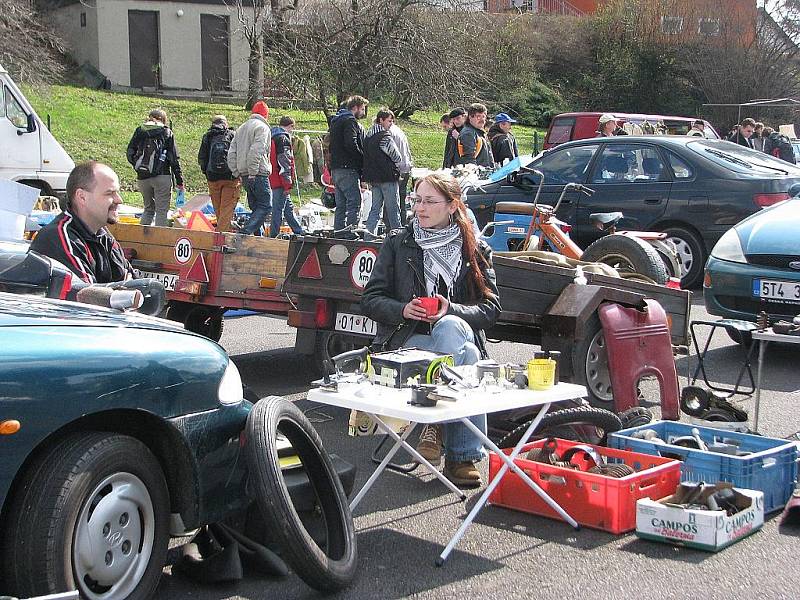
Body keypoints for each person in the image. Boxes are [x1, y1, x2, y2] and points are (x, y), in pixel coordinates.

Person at [361, 172, 501, 487]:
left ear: (453, 206)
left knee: (450, 327)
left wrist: (450, 308)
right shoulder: (398, 242)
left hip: (453, 333)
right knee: (466, 358)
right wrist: (402, 309)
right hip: (409, 340)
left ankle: (434, 425)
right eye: (417, 200)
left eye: (430, 202)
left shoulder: (474, 248)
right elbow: (370, 299)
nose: (420, 209)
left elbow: (491, 309)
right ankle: (461, 457)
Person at [31, 161, 134, 284]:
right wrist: (125, 291)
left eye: (117, 192)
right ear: (82, 197)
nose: (119, 200)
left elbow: (133, 280)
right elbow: (88, 295)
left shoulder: (103, 235)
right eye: (109, 193)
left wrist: (127, 289)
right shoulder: (59, 237)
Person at [126, 109, 184, 227]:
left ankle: (141, 240)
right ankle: (159, 242)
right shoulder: (166, 132)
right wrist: (179, 180)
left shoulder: (140, 130)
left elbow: (130, 151)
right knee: (161, 212)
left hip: (142, 177)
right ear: (163, 120)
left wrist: (137, 165)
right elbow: (174, 158)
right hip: (162, 176)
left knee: (148, 210)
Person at [227, 101, 272, 235]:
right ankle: (244, 233)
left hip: (244, 173)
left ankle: (258, 237)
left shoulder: (241, 128)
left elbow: (231, 153)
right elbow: (256, 151)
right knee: (265, 205)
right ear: (265, 115)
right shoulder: (262, 128)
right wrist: (253, 172)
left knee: (255, 208)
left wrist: (237, 172)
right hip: (258, 172)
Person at [329, 95, 369, 231]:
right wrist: (362, 159)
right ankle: (351, 232)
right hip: (348, 168)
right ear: (355, 107)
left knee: (341, 205)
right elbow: (350, 143)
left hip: (335, 168)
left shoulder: (335, 121)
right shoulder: (350, 121)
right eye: (362, 109)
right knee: (354, 202)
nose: (363, 113)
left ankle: (338, 231)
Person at [363, 108, 403, 234]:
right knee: (393, 210)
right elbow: (397, 156)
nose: (391, 124)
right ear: (381, 120)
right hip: (387, 177)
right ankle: (398, 239)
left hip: (373, 178)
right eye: (389, 121)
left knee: (375, 209)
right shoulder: (384, 137)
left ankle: (368, 236)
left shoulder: (368, 136)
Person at [197, 115, 239, 232]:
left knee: (219, 211)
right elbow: (238, 155)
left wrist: (206, 172)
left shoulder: (207, 136)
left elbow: (201, 158)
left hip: (212, 178)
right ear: (225, 123)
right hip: (230, 178)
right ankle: (221, 239)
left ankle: (223, 234)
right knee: (226, 210)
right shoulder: (231, 134)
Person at [269, 116, 304, 236]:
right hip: (281, 180)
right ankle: (274, 235)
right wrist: (287, 184)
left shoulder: (272, 136)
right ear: (291, 126)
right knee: (278, 210)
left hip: (273, 177)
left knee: (288, 209)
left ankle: (299, 231)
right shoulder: (283, 139)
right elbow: (285, 163)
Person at [455, 103, 494, 168]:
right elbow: (469, 161)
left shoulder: (480, 133)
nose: (482, 120)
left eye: (483, 116)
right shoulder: (468, 133)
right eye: (478, 116)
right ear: (470, 117)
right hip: (475, 175)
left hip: (486, 174)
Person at [390, 120, 414, 225]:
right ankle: (403, 224)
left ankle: (394, 228)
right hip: (406, 167)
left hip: (398, 169)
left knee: (393, 202)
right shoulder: (399, 131)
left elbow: (392, 154)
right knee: (402, 200)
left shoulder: (389, 133)